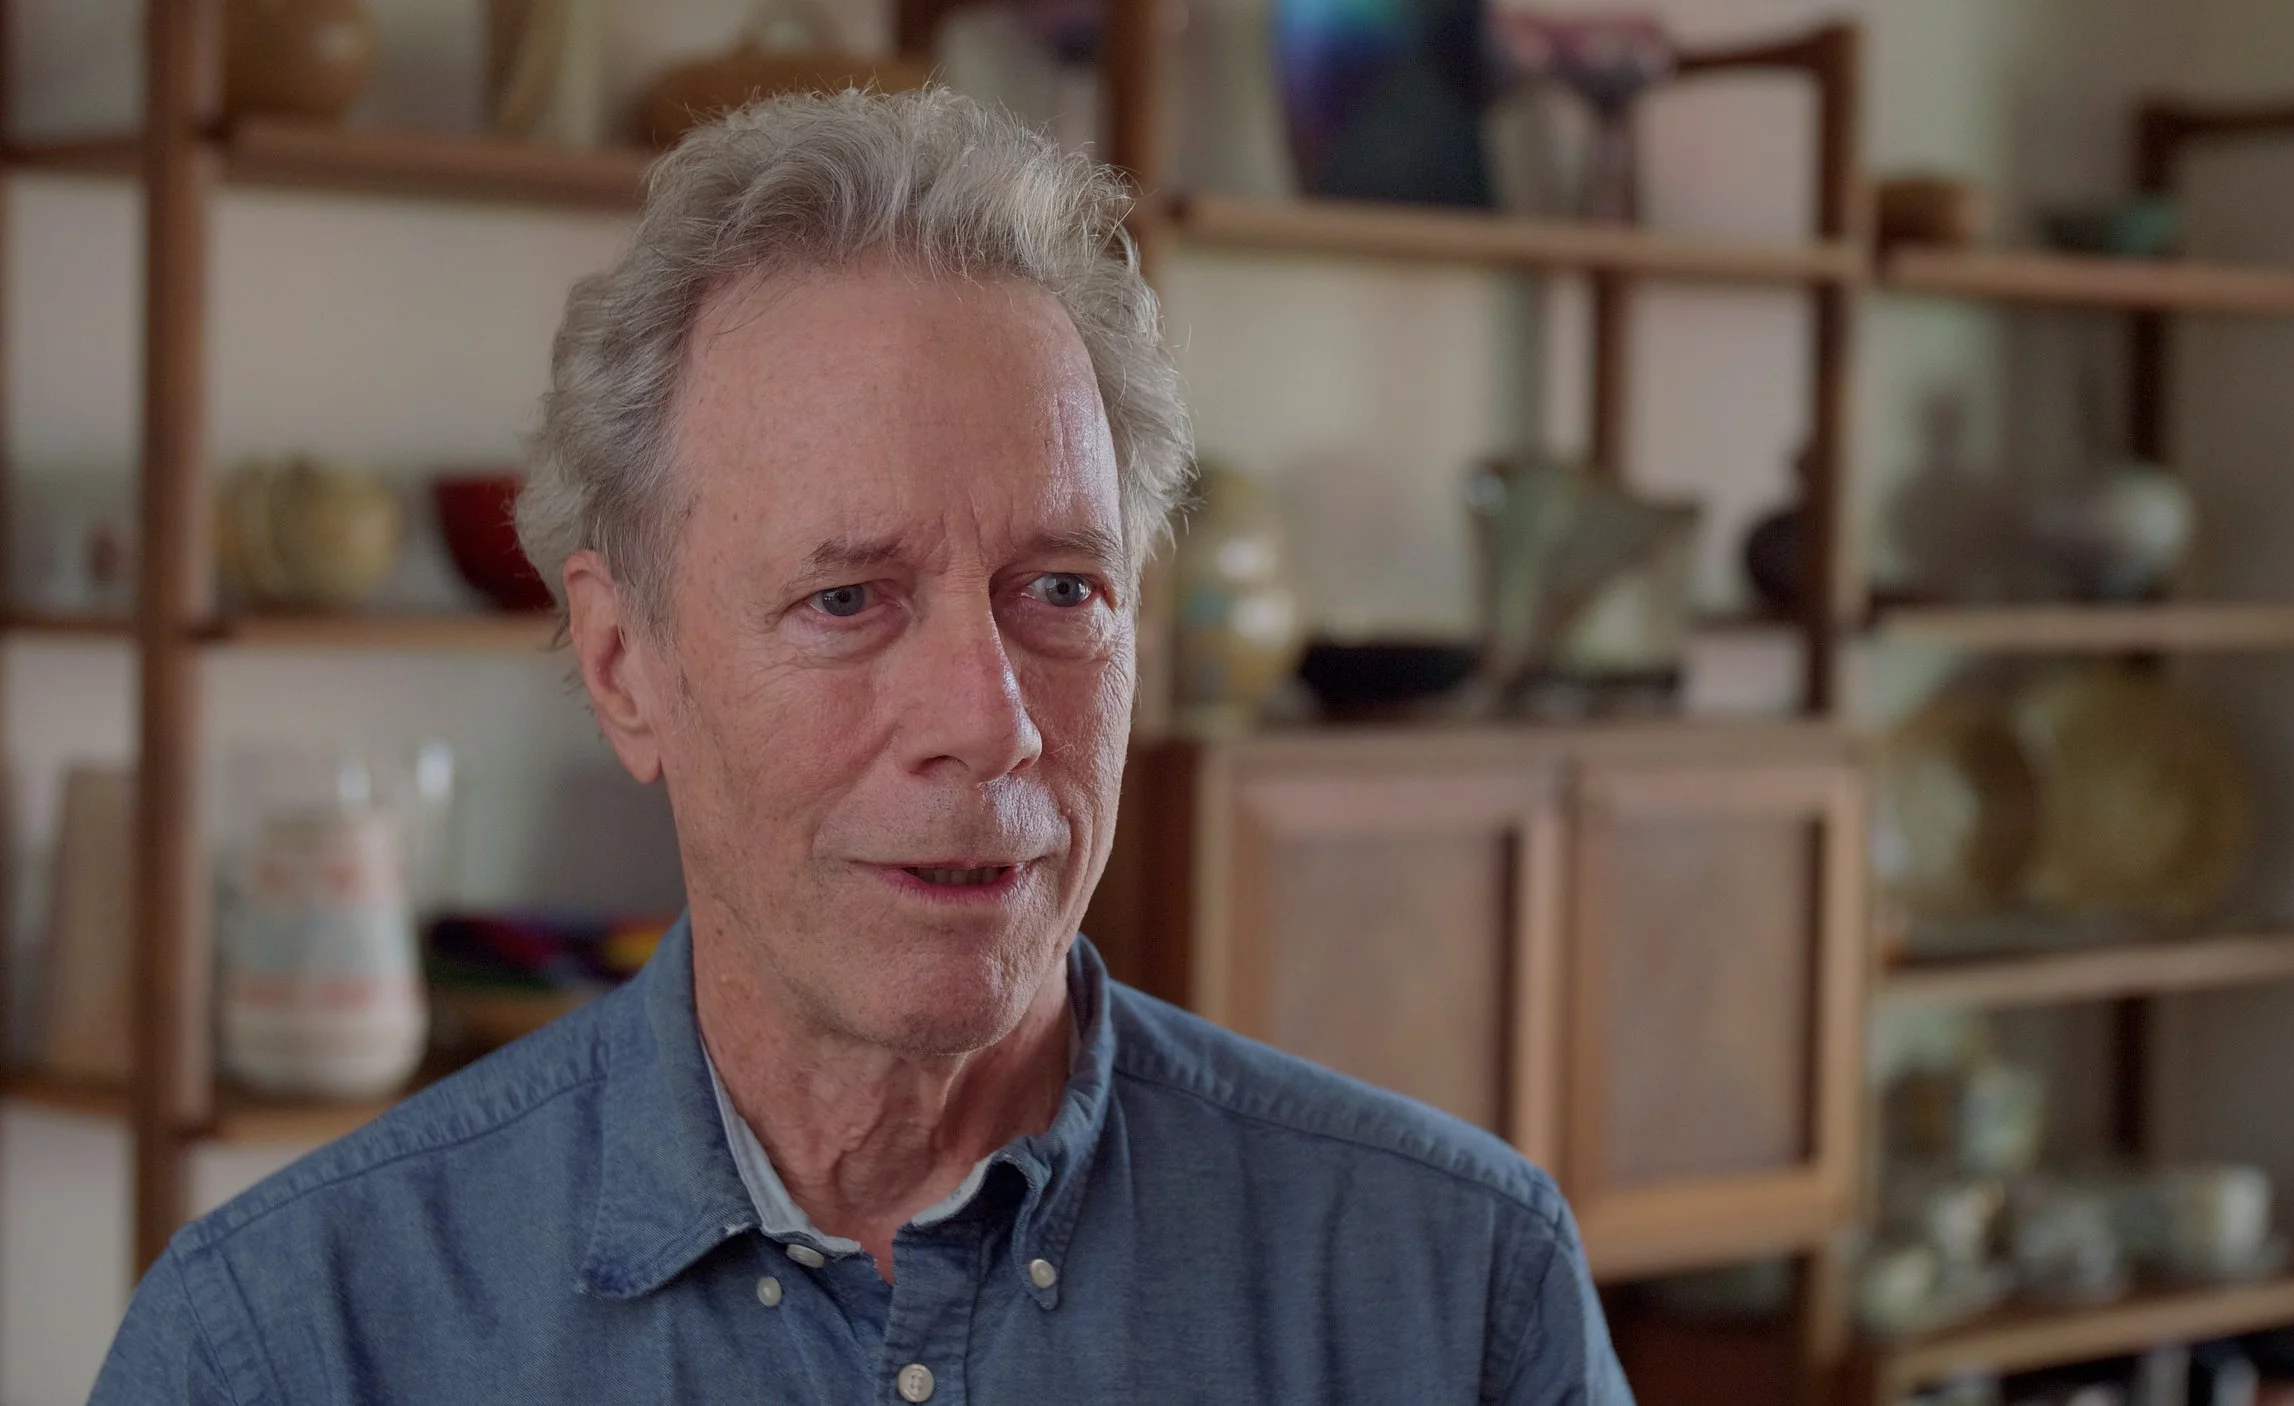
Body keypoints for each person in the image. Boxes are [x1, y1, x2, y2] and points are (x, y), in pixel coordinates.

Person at [92, 90, 1632, 1404]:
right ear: (628, 666)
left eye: (1061, 590)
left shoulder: (1460, 1289)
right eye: (847, 597)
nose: (989, 716)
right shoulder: (290, 1344)